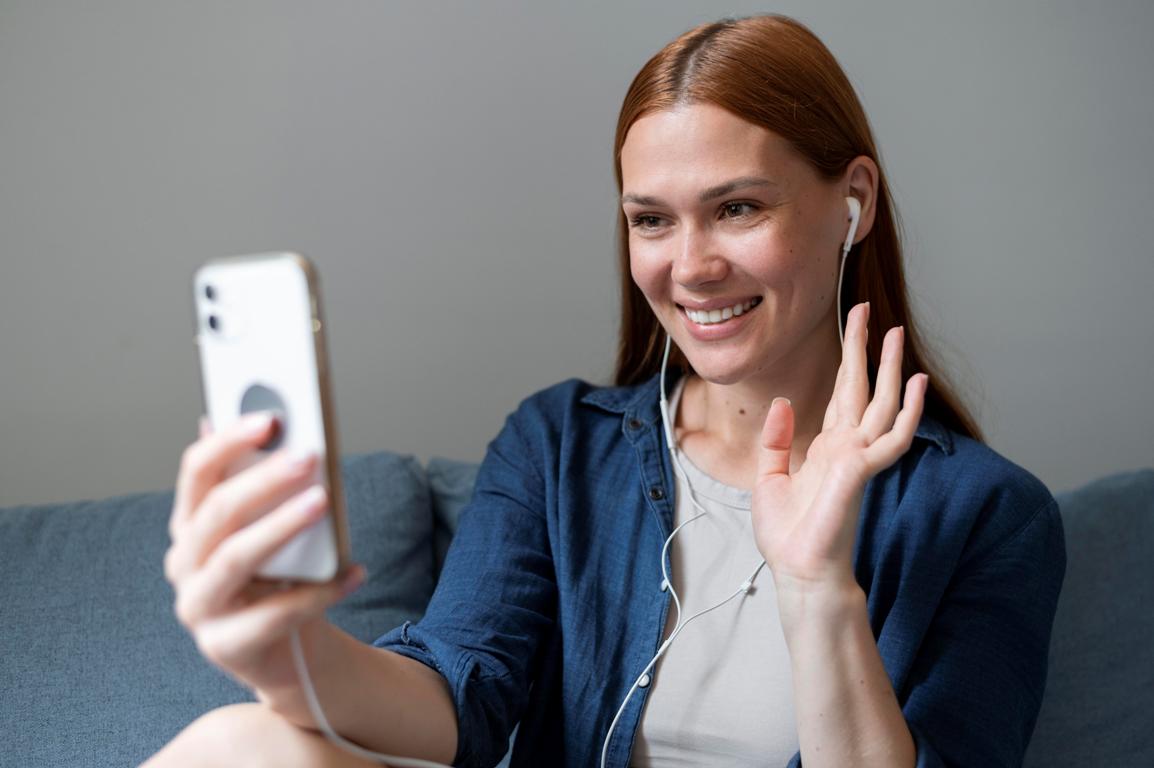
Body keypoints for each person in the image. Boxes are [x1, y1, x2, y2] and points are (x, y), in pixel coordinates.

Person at [146, 14, 1066, 768]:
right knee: (242, 744)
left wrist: (819, 585)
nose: (691, 267)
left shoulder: (987, 515)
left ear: (851, 202)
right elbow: (459, 698)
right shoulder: (559, 446)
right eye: (651, 221)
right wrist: (280, 653)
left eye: (738, 207)